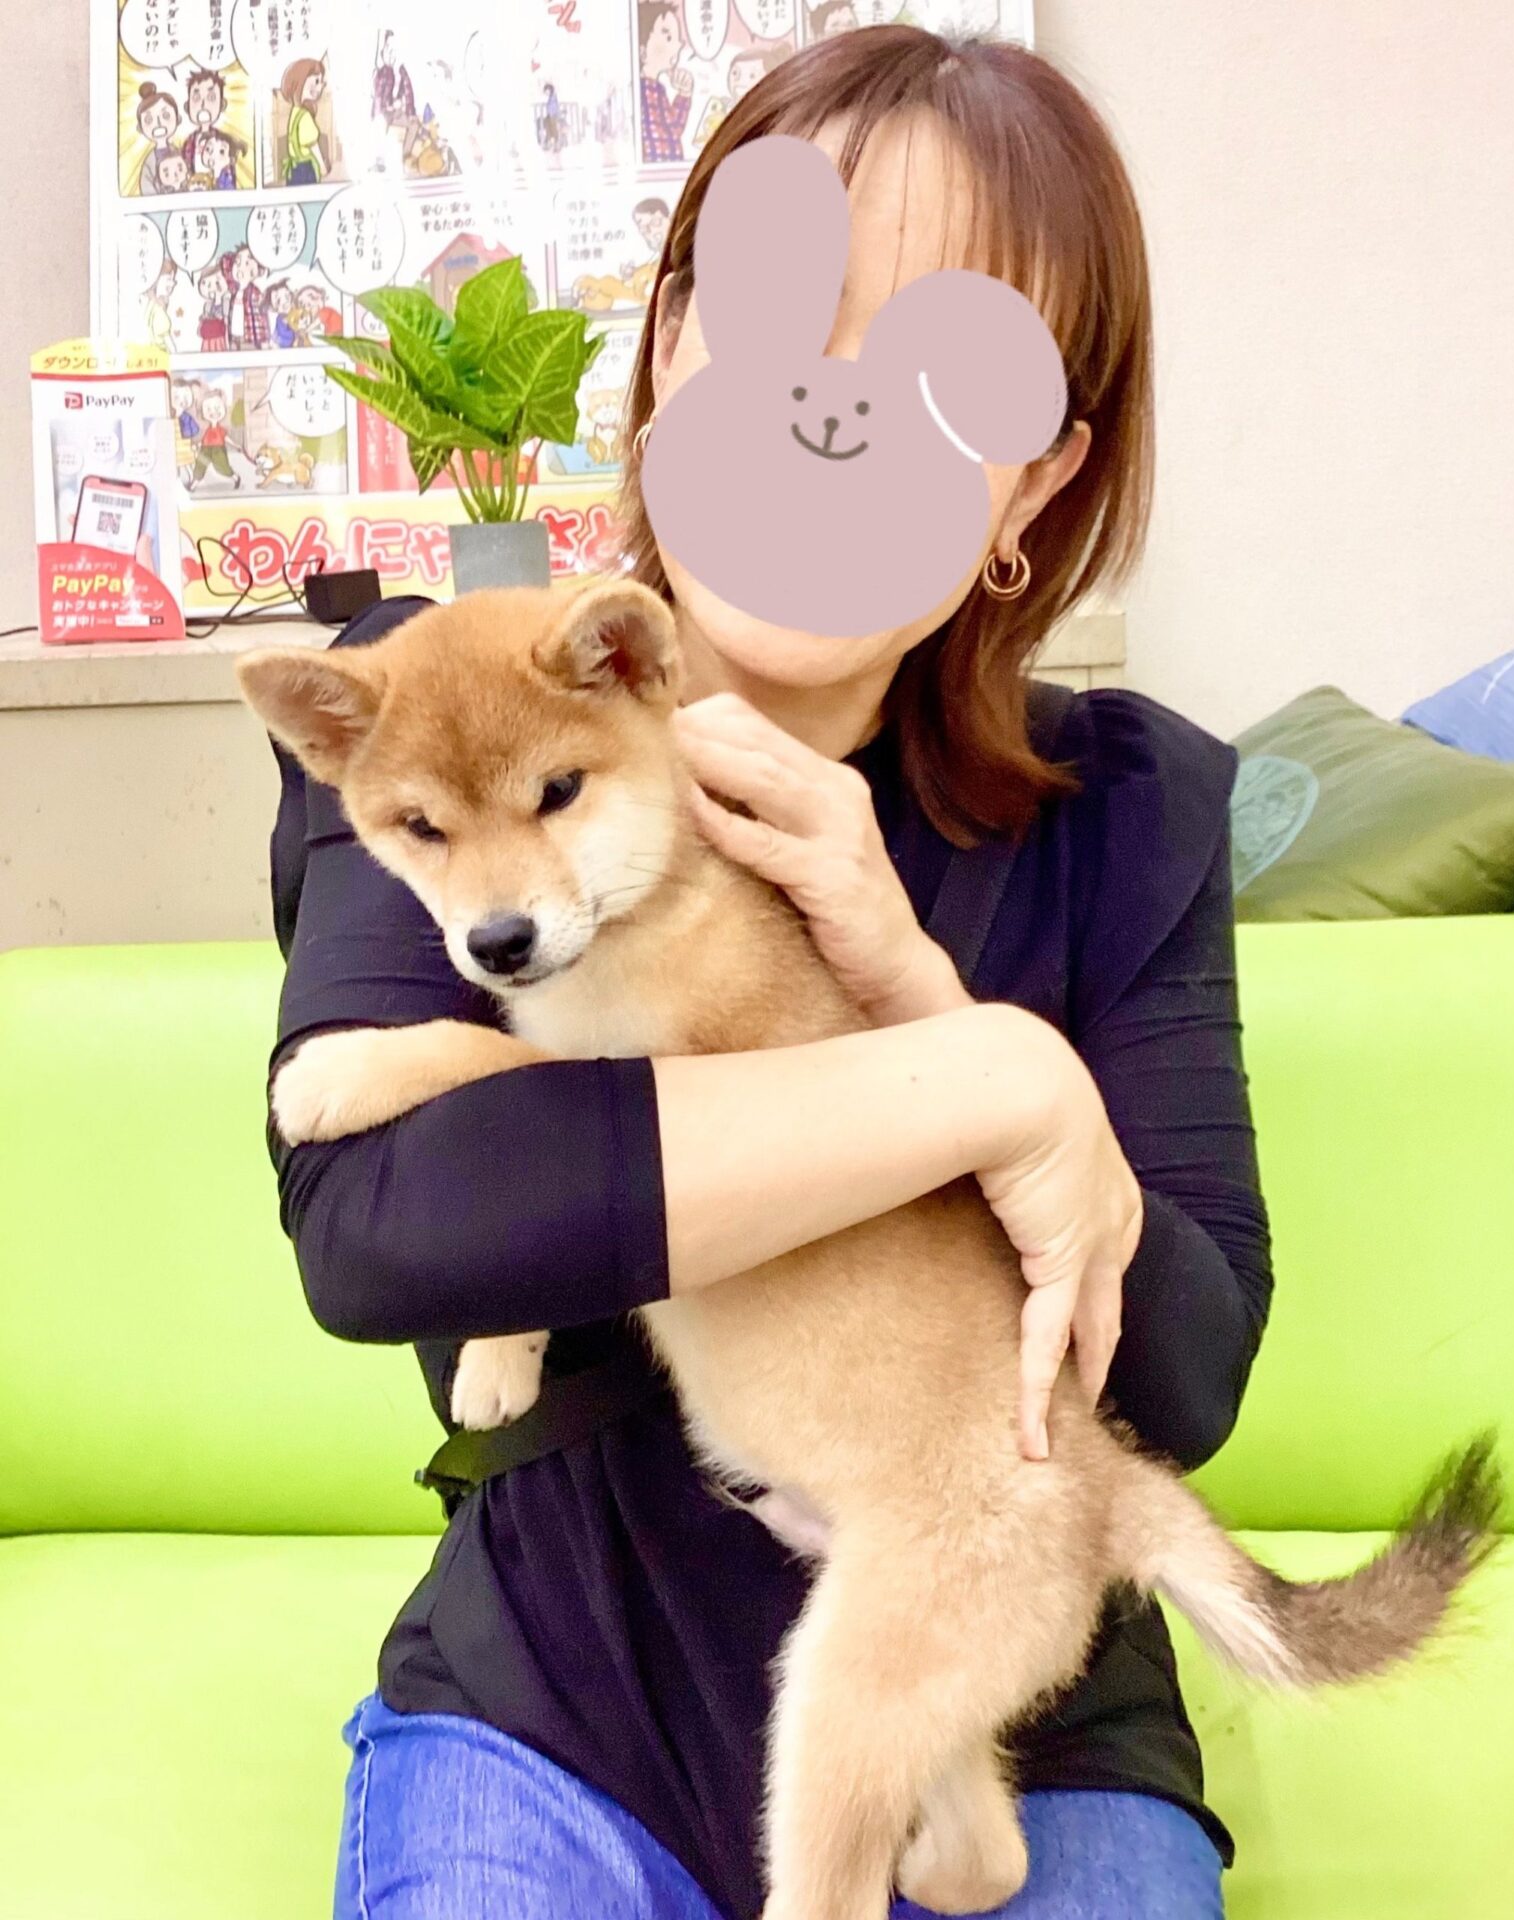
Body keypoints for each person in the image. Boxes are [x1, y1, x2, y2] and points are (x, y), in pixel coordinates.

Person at [270, 27, 1272, 1920]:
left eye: (951, 376)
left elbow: (1187, 1368)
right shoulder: (436, 713)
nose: (841, 409)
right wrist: (993, 1089)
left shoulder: (1132, 809)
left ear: (1036, 483)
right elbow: (386, 1233)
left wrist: (917, 983)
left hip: (1011, 1695)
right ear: (670, 346)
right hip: (563, 1683)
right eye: (782, 312)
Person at [638, 2, 693, 163]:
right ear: (642, 51)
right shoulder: (646, 91)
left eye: (677, 39)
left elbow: (673, 127)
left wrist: (684, 94)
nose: (679, 45)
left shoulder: (656, 89)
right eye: (669, 38)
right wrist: (684, 95)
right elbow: (671, 129)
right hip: (658, 166)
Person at [282, 58, 329, 185]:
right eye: (316, 81)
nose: (320, 87)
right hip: (305, 168)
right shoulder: (305, 116)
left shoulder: (295, 111)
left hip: (294, 168)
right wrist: (322, 167)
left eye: (321, 82)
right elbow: (313, 146)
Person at [133, 83, 180, 194]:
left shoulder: (178, 152)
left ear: (177, 118)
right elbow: (146, 186)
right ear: (140, 128)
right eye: (149, 120)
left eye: (166, 116)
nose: (158, 123)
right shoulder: (149, 162)